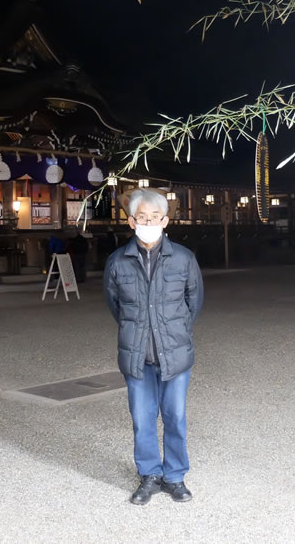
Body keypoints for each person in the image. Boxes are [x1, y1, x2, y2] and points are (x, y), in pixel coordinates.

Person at [103, 188, 204, 505]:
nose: (149, 222)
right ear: (131, 221)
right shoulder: (118, 262)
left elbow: (194, 302)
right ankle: (149, 475)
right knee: (142, 418)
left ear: (166, 220)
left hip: (174, 353)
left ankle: (175, 476)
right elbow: (115, 304)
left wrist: (172, 332)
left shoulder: (184, 258)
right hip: (137, 356)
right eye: (142, 217)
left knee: (175, 416)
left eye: (155, 217)